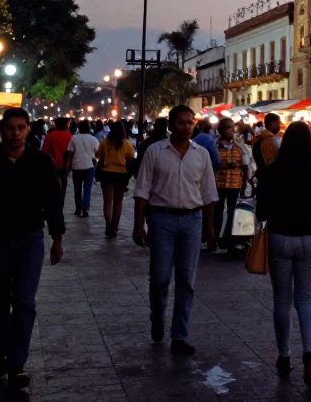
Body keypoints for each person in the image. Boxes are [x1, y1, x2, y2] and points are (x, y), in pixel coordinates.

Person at [0, 107, 65, 392]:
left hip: (31, 240)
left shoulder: (41, 163)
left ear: (27, 129)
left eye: (20, 127)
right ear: (1, 130)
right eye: (10, 128)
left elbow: (53, 202)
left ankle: (17, 363)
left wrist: (57, 237)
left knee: (25, 301)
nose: (15, 133)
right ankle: (1, 350)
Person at [132, 105, 217, 355]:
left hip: (192, 220)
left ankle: (180, 334)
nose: (186, 127)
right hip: (162, 219)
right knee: (160, 278)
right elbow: (142, 190)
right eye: (181, 122)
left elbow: (209, 194)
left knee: (186, 280)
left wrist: (210, 227)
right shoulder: (155, 152)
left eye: (190, 122)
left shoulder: (201, 154)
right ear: (170, 125)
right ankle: (157, 315)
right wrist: (139, 225)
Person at [256, 121, 311, 385]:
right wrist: (309, 216)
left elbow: (261, 210)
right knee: (306, 299)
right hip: (309, 238)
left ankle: (284, 355)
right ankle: (310, 356)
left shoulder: (274, 170)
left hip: (280, 237)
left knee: (281, 300)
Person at [212, 117, 253, 249]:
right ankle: (214, 238)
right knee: (217, 212)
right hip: (218, 184)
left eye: (232, 128)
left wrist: (245, 185)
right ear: (221, 130)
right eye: (228, 128)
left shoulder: (239, 146)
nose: (231, 131)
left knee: (233, 211)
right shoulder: (215, 146)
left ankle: (230, 240)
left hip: (235, 184)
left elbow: (245, 166)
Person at [96, 121, 136, 238]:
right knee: (118, 202)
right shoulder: (127, 143)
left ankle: (108, 224)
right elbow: (131, 157)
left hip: (107, 173)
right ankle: (114, 228)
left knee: (107, 202)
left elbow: (98, 155)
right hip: (121, 174)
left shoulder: (105, 142)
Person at [66, 121, 100, 217]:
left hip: (76, 166)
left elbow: (70, 153)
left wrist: (70, 164)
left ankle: (78, 208)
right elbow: (97, 154)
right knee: (87, 189)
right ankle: (85, 207)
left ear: (79, 128)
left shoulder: (74, 138)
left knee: (77, 189)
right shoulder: (94, 139)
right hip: (89, 166)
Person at [41, 117, 73, 195]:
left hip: (52, 163)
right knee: (64, 183)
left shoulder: (50, 136)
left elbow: (44, 151)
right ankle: (62, 197)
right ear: (66, 125)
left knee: (54, 184)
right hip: (66, 164)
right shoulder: (70, 136)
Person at [252, 113, 282, 181]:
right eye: (277, 123)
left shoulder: (258, 137)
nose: (279, 125)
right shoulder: (269, 140)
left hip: (261, 174)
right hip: (269, 176)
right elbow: (270, 161)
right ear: (270, 124)